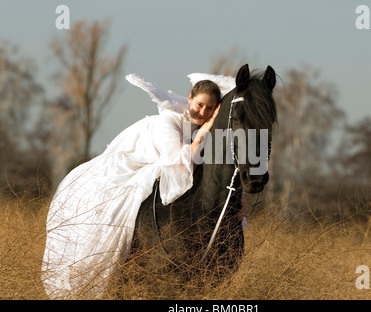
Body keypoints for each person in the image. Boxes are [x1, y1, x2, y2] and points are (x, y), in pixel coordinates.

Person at [41, 73, 233, 299]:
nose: (202, 112)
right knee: (116, 204)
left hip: (162, 164)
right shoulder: (167, 121)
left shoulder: (200, 126)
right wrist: (204, 131)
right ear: (189, 98)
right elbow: (181, 163)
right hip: (132, 163)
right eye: (199, 105)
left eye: (210, 109)